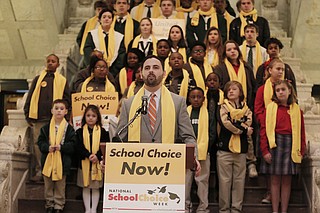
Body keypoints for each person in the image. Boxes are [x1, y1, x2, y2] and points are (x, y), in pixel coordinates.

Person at [115, 55, 201, 173]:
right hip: (136, 169)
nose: (151, 70)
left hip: (168, 168)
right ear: (141, 74)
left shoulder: (178, 102)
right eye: (147, 68)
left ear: (164, 73)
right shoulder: (128, 104)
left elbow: (188, 136)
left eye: (155, 67)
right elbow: (119, 138)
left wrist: (193, 156)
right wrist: (110, 159)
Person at [259, 80, 306, 213]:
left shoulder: (297, 110)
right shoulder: (270, 108)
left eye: (283, 89)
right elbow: (263, 130)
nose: (280, 92)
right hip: (275, 145)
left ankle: (284, 210)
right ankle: (275, 210)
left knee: (286, 181)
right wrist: (265, 150)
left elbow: (301, 132)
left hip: (291, 145)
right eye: (278, 90)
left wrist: (301, 150)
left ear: (289, 91)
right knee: (274, 180)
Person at [24, 54, 71, 182]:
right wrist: (27, 113)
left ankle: (54, 169)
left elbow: (67, 99)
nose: (50, 63)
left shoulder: (62, 80)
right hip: (38, 118)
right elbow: (30, 96)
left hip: (56, 119)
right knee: (38, 145)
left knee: (55, 144)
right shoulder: (38, 79)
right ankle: (40, 170)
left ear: (58, 64)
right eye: (48, 61)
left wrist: (67, 115)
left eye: (53, 61)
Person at [254, 58, 288, 204]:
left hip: (284, 130)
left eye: (282, 69)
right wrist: (267, 121)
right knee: (268, 162)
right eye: (277, 69)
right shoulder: (263, 89)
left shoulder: (287, 87)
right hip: (266, 129)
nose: (280, 72)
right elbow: (258, 109)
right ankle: (269, 191)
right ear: (269, 70)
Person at [217, 81, 253, 213]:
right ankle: (224, 209)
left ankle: (236, 209)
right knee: (224, 182)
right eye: (228, 90)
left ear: (241, 92)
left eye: (234, 89)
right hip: (224, 150)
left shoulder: (247, 108)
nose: (231, 91)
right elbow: (226, 124)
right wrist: (243, 129)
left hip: (241, 151)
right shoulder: (222, 107)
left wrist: (236, 123)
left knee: (239, 181)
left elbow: (249, 121)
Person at [37, 99, 75, 213]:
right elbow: (40, 142)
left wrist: (61, 147)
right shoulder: (45, 128)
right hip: (48, 161)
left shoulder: (69, 129)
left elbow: (73, 144)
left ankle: (59, 205)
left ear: (66, 112)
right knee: (48, 185)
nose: (59, 111)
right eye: (56, 108)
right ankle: (49, 204)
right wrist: (47, 148)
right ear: (52, 111)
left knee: (60, 185)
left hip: (62, 162)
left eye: (62, 109)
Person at [185, 87, 214, 213]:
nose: (196, 99)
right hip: (187, 152)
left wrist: (204, 148)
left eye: (199, 97)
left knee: (202, 182)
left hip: (203, 152)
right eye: (193, 97)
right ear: (189, 98)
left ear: (204, 98)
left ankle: (203, 208)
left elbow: (212, 133)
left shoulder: (208, 113)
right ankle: (185, 207)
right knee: (186, 182)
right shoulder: (184, 112)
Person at [76, 105, 109, 213]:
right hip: (84, 163)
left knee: (95, 187)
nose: (90, 118)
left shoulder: (103, 132)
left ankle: (93, 210)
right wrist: (88, 155)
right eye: (88, 115)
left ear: (98, 118)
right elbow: (78, 147)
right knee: (86, 186)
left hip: (97, 164)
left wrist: (97, 156)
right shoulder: (79, 132)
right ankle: (87, 210)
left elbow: (105, 146)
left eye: (93, 116)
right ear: (84, 117)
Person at [83, 8, 126, 77]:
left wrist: (113, 71)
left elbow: (121, 55)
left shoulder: (119, 36)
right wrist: (96, 68)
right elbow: (87, 51)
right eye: (104, 17)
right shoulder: (92, 34)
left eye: (109, 17)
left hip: (113, 72)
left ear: (112, 20)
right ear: (100, 20)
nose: (106, 19)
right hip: (95, 71)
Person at [214, 40, 255, 110]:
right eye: (229, 50)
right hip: (226, 106)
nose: (232, 51)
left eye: (235, 49)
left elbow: (252, 86)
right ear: (225, 53)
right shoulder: (219, 68)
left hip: (246, 105)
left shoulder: (246, 67)